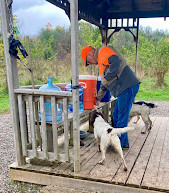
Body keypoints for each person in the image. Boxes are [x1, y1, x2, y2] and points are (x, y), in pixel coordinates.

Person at [81, 45, 140, 148]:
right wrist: (98, 98)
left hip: (127, 86)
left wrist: (107, 78)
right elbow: (104, 84)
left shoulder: (103, 51)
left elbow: (116, 63)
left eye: (88, 61)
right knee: (116, 115)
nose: (91, 64)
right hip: (125, 89)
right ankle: (124, 143)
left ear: (90, 54)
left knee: (121, 117)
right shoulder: (101, 61)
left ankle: (119, 143)